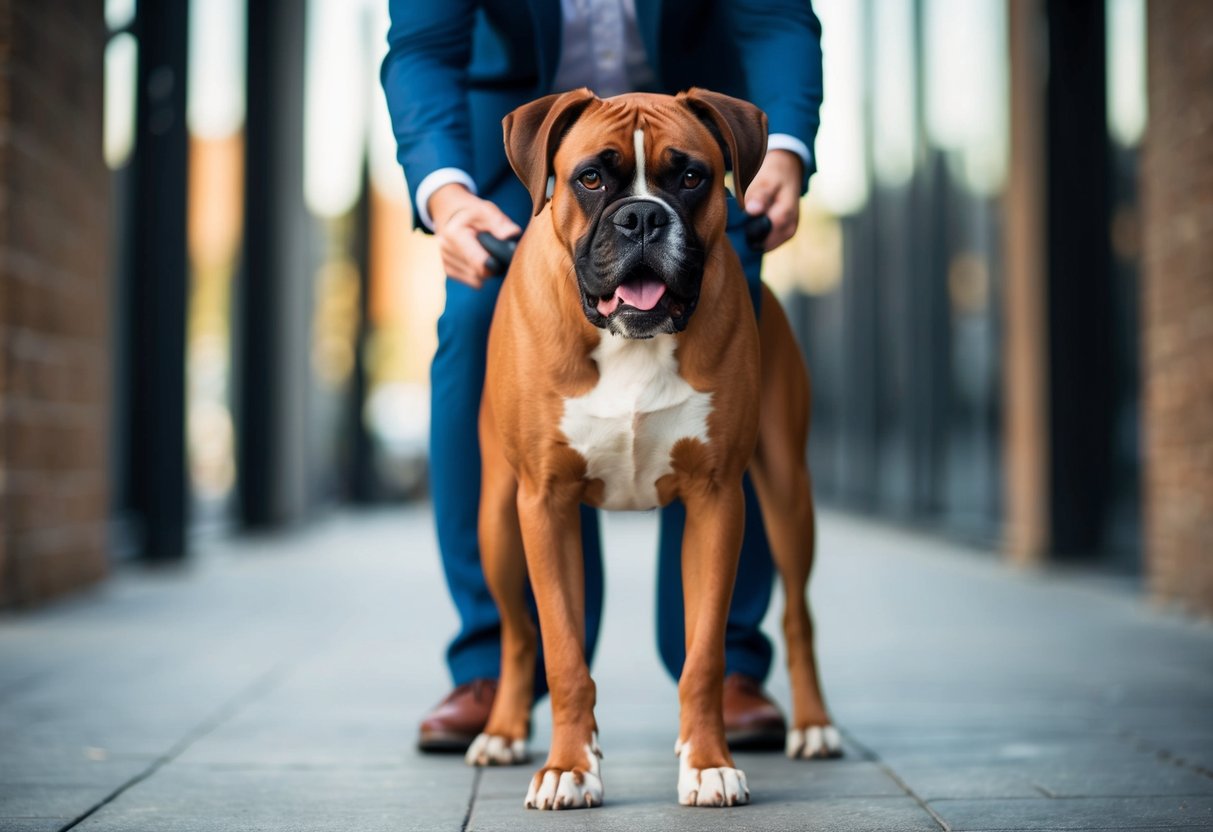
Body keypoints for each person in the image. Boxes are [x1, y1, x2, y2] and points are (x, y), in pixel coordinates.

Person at [381, 0, 823, 752]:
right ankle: (498, 660)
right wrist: (446, 194)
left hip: (705, 142)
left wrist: (781, 145)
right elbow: (423, 45)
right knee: (469, 323)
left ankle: (730, 665)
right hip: (524, 158)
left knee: (735, 295)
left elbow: (775, 18)